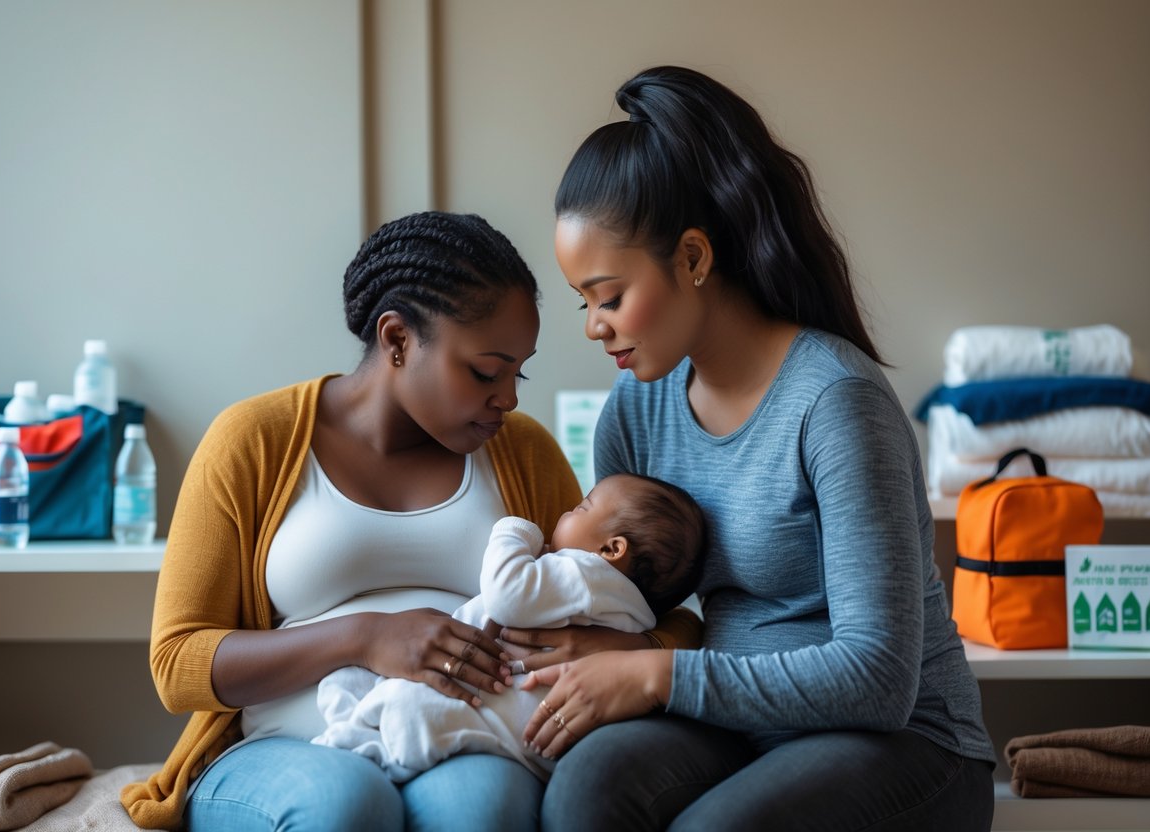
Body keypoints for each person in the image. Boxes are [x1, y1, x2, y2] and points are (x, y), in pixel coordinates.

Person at [522, 65, 997, 831]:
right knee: (582, 790)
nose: (593, 326)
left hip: (906, 743)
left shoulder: (834, 401)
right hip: (740, 729)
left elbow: (877, 680)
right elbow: (635, 602)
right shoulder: (636, 410)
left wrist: (656, 672)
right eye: (583, 301)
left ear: (694, 259)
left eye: (609, 297)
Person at [120, 211, 702, 832]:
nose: (508, 398)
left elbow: (664, 619)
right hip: (280, 747)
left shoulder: (522, 451)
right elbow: (178, 665)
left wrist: (627, 649)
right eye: (485, 371)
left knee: (488, 808)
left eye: (517, 372)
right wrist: (366, 637)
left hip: (460, 737)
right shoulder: (255, 440)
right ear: (397, 339)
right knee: (345, 806)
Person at [312, 472, 707, 781]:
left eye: (581, 507)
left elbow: (507, 595)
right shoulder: (632, 612)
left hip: (480, 692)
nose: (566, 513)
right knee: (405, 707)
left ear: (612, 549)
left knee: (399, 701)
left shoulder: (584, 573)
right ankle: (373, 738)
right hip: (524, 727)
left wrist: (513, 531)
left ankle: (366, 740)